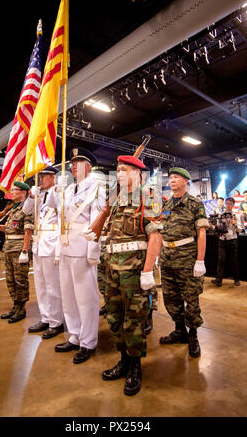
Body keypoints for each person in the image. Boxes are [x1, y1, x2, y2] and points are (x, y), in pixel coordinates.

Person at [94, 154, 160, 396]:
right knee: (114, 318)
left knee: (134, 322)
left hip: (134, 273)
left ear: (138, 174)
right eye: (118, 169)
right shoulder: (116, 200)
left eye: (125, 169)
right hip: (111, 270)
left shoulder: (149, 197)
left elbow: (155, 236)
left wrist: (147, 271)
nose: (120, 173)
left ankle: (135, 367)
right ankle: (123, 359)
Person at [48, 147, 106, 364]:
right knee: (68, 295)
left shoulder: (96, 189)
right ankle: (74, 334)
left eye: (78, 162)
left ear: (88, 167)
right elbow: (59, 217)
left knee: (86, 297)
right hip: (64, 246)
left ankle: (88, 341)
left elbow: (96, 224)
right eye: (72, 163)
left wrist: (93, 252)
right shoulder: (67, 189)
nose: (73, 166)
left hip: (82, 248)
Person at [157, 167, 209, 358]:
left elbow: (202, 233)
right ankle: (180, 331)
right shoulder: (166, 204)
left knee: (191, 298)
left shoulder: (195, 203)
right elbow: (161, 230)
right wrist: (157, 254)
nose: (171, 180)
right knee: (170, 298)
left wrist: (200, 260)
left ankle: (193, 335)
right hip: (167, 256)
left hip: (187, 257)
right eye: (170, 177)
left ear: (186, 181)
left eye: (176, 177)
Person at [22, 166, 65, 339]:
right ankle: (46, 317)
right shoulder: (38, 194)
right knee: (40, 285)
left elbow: (63, 215)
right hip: (38, 244)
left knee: (52, 285)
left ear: (53, 177)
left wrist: (59, 246)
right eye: (41, 176)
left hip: (51, 242)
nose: (42, 179)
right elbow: (26, 210)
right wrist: (32, 196)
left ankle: (56, 321)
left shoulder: (57, 191)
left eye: (45, 176)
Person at [0, 181, 34, 323]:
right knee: (10, 279)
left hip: (19, 249)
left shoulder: (27, 209)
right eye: (11, 190)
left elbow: (28, 231)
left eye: (14, 190)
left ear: (23, 193)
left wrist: (25, 251)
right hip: (8, 248)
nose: (11, 192)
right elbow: (8, 228)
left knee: (20, 280)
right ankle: (15, 306)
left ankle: (21, 309)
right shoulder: (13, 209)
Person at [210, 197, 241, 287]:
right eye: (226, 203)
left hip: (233, 240)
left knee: (234, 260)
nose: (228, 205)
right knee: (221, 260)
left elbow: (240, 230)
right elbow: (219, 227)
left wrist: (235, 225)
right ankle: (219, 280)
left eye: (230, 204)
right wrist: (213, 227)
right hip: (222, 240)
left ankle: (236, 279)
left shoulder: (236, 215)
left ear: (233, 205)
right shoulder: (221, 215)